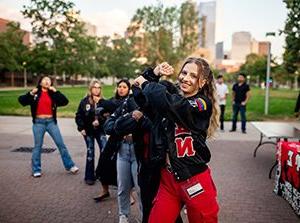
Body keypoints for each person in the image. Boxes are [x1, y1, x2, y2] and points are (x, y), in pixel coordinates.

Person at [134, 57, 220, 223]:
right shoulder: (172, 98)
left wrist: (147, 83)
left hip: (194, 178)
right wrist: (154, 73)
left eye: (193, 76)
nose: (186, 78)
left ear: (202, 83)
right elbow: (139, 93)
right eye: (184, 72)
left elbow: (173, 104)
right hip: (168, 180)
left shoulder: (202, 103)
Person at [18, 76, 79, 177]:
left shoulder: (52, 94)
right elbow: (22, 101)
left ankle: (70, 165)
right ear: (40, 82)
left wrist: (56, 92)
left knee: (61, 144)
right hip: (38, 123)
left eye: (49, 80)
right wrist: (30, 93)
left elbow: (65, 102)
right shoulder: (35, 93)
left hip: (51, 123)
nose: (47, 81)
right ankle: (36, 169)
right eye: (45, 80)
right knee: (38, 146)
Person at [104, 92, 148, 223]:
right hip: (122, 151)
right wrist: (124, 123)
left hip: (138, 153)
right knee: (123, 187)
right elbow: (108, 125)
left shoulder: (146, 107)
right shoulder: (123, 106)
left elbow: (149, 127)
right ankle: (123, 215)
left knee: (140, 188)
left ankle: (143, 216)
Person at [94, 79, 131, 202]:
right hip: (114, 137)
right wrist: (103, 114)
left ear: (129, 89)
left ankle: (129, 195)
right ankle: (105, 191)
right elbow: (102, 110)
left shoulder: (130, 101)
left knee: (124, 169)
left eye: (124, 87)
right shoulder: (112, 100)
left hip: (126, 139)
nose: (121, 89)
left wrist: (103, 102)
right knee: (103, 163)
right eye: (119, 86)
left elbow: (116, 107)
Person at [75, 79, 109, 185]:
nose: (97, 89)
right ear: (90, 88)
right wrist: (81, 128)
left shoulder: (103, 101)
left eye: (99, 87)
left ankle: (101, 173)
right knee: (90, 152)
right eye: (95, 87)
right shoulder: (84, 102)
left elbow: (107, 116)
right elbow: (79, 116)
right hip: (88, 131)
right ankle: (89, 177)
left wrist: (100, 121)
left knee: (105, 151)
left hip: (100, 131)